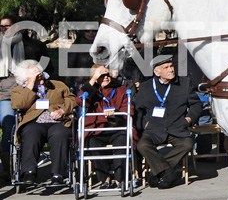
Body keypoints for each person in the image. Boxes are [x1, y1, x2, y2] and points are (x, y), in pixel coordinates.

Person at [133, 54, 202, 189]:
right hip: (154, 128)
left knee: (187, 144)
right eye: (166, 67)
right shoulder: (146, 87)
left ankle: (156, 172)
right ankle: (169, 173)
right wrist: (146, 124)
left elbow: (196, 105)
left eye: (171, 66)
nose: (171, 69)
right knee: (142, 145)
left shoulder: (184, 83)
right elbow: (138, 109)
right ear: (157, 72)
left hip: (177, 127)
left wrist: (187, 120)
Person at [11, 59, 76, 187]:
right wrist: (30, 84)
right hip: (33, 122)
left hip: (57, 121)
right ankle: (29, 172)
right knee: (31, 133)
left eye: (39, 71)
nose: (39, 75)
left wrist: (63, 110)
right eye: (34, 73)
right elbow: (19, 104)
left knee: (60, 134)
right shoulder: (18, 90)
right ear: (25, 78)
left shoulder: (57, 85)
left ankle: (58, 174)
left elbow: (72, 99)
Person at [77, 64, 130, 188]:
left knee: (122, 141)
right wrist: (93, 80)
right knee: (92, 144)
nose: (106, 78)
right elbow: (80, 101)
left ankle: (119, 179)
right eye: (102, 75)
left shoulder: (120, 90)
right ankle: (104, 179)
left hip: (117, 127)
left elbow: (128, 110)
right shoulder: (90, 91)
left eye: (107, 75)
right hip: (97, 129)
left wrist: (115, 114)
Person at [0, 15, 25, 183]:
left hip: (9, 91)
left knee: (8, 129)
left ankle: (8, 169)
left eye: (7, 26)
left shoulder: (21, 43)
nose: (4, 30)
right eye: (1, 27)